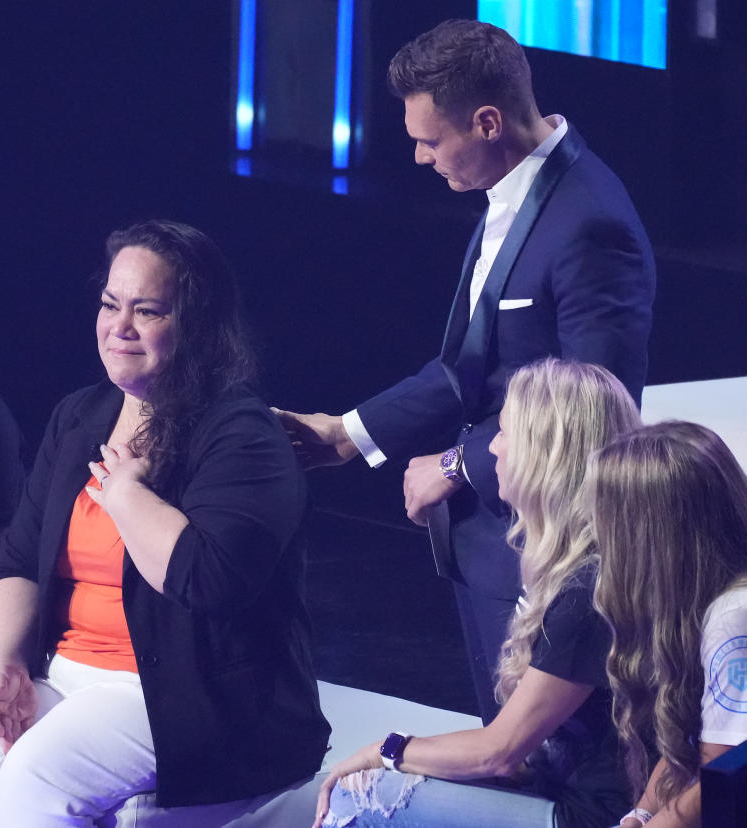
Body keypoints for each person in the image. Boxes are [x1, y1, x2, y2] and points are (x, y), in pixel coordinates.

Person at [273, 19, 655, 723]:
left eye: (429, 139)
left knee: (537, 764)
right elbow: (468, 367)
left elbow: (596, 416)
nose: (418, 157)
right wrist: (346, 434)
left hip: (542, 548)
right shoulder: (513, 194)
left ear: (486, 122)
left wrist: (454, 465)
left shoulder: (590, 223)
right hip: (489, 536)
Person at [0, 219, 329, 825]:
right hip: (64, 671)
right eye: (110, 304)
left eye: (148, 311)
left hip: (175, 692)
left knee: (37, 776)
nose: (119, 327)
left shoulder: (242, 434)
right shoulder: (82, 415)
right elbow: (20, 559)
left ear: (195, 325)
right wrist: (5, 662)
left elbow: (207, 578)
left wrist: (128, 493)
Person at [313, 358, 640, 828]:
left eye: (503, 434)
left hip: (587, 814)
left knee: (359, 800)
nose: (493, 450)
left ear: (545, 453)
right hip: (548, 779)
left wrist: (383, 750)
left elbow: (500, 752)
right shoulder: (566, 554)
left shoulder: (586, 588)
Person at [588, 422, 747, 828]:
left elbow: (721, 780)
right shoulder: (713, 596)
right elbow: (694, 741)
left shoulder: (733, 616)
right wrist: (641, 812)